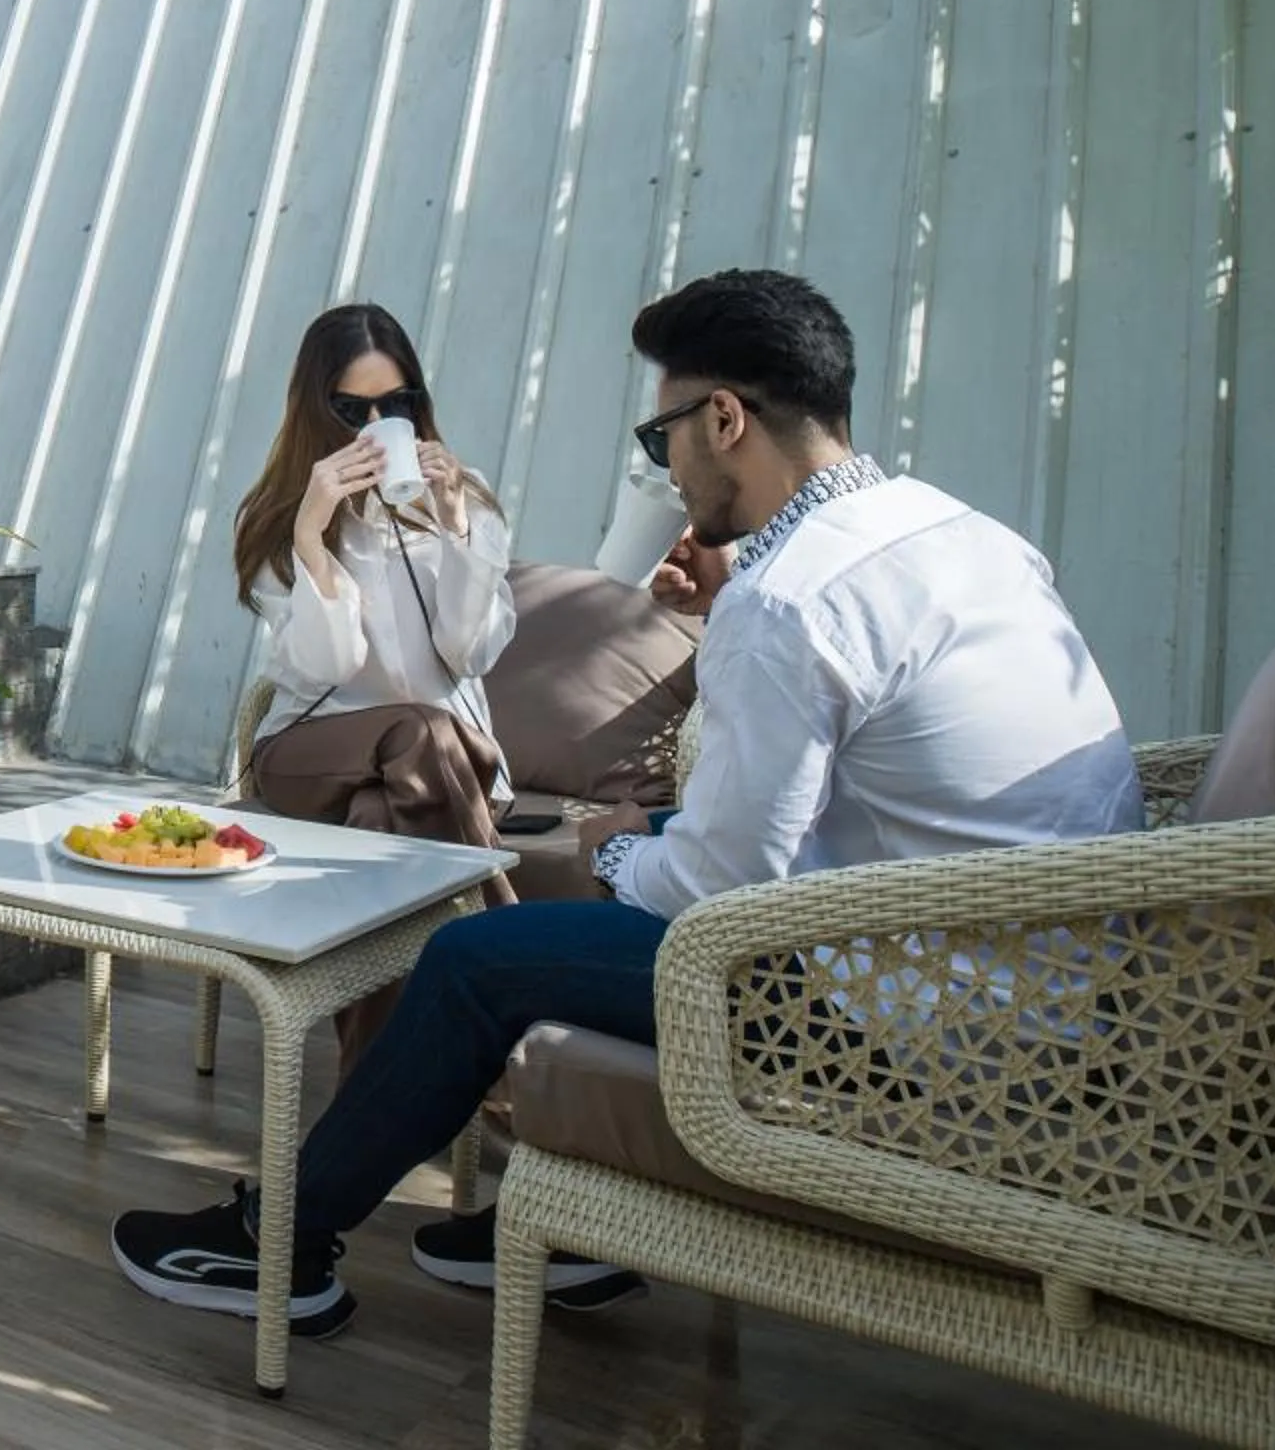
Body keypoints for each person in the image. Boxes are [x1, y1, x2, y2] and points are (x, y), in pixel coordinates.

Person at [112, 268, 1143, 1338]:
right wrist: (638, 837)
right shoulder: (960, 531)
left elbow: (716, 890)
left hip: (912, 1021)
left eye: (663, 438)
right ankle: (571, 1213)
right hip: (1054, 985)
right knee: (594, 876)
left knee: (477, 959)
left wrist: (615, 849)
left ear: (725, 419)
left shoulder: (790, 601)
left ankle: (280, 1243)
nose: (666, 469)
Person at [228, 305, 518, 1067]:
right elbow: (326, 667)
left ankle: (376, 1086)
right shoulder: (280, 515)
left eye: (397, 404)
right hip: (309, 751)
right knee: (419, 728)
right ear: (313, 409)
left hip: (433, 775)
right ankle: (508, 963)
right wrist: (312, 537)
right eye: (352, 410)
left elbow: (471, 652)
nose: (376, 425)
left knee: (381, 815)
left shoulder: (467, 496)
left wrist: (454, 527)